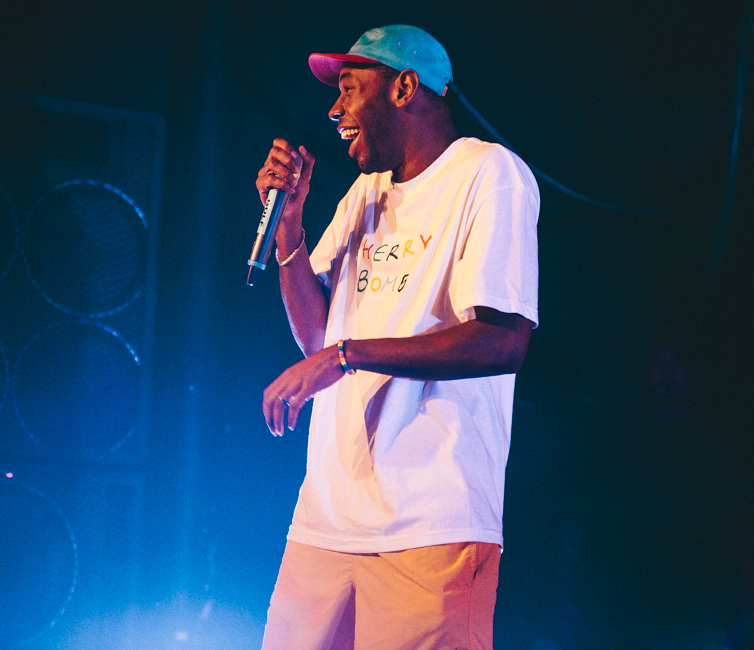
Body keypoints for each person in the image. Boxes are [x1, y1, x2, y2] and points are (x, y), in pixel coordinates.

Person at [254, 25, 540, 650]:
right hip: (326, 522)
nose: (334, 109)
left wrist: (344, 356)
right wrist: (290, 226)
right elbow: (316, 342)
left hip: (431, 522)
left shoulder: (489, 173)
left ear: (405, 86)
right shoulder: (365, 193)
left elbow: (503, 341)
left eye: (350, 90)